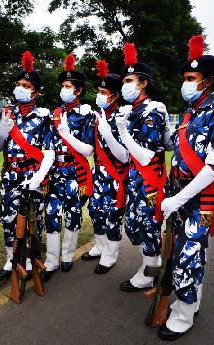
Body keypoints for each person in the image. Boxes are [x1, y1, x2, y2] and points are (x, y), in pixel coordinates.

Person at [159, 35, 214, 341]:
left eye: (191, 78)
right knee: (182, 253)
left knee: (189, 256)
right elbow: (177, 157)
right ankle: (191, 301)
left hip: (201, 200)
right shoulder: (190, 113)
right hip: (179, 196)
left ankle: (184, 314)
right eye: (185, 78)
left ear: (209, 81)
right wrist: (169, 194)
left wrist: (177, 199)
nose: (186, 83)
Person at [0, 51, 54, 280]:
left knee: (31, 220)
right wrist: (3, 128)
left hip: (31, 174)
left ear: (35, 92)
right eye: (18, 84)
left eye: (26, 85)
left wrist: (38, 178)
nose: (21, 88)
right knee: (7, 218)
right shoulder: (8, 114)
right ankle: (11, 260)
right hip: (9, 173)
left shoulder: (43, 117)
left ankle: (30, 260)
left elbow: (49, 152)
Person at [116, 43, 168, 293]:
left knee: (147, 225)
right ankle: (153, 263)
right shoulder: (132, 110)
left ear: (143, 83)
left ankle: (149, 272)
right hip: (135, 178)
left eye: (129, 80)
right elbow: (126, 154)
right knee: (133, 226)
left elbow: (146, 155)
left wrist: (124, 131)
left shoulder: (152, 111)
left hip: (149, 178)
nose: (124, 84)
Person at [42, 54, 94, 281]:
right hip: (55, 173)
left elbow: (87, 150)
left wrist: (65, 132)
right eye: (62, 86)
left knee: (73, 215)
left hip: (75, 173)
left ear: (78, 91)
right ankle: (51, 261)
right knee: (52, 215)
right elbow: (47, 147)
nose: (64, 90)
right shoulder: (55, 114)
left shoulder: (86, 115)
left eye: (68, 86)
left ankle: (67, 256)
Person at [80, 59, 129, 274]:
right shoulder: (98, 116)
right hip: (98, 172)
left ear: (115, 95)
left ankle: (111, 254)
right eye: (99, 90)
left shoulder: (122, 117)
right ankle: (100, 246)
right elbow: (91, 147)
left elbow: (124, 155)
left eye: (104, 91)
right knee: (95, 211)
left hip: (115, 174)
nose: (99, 95)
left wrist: (108, 132)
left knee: (112, 215)